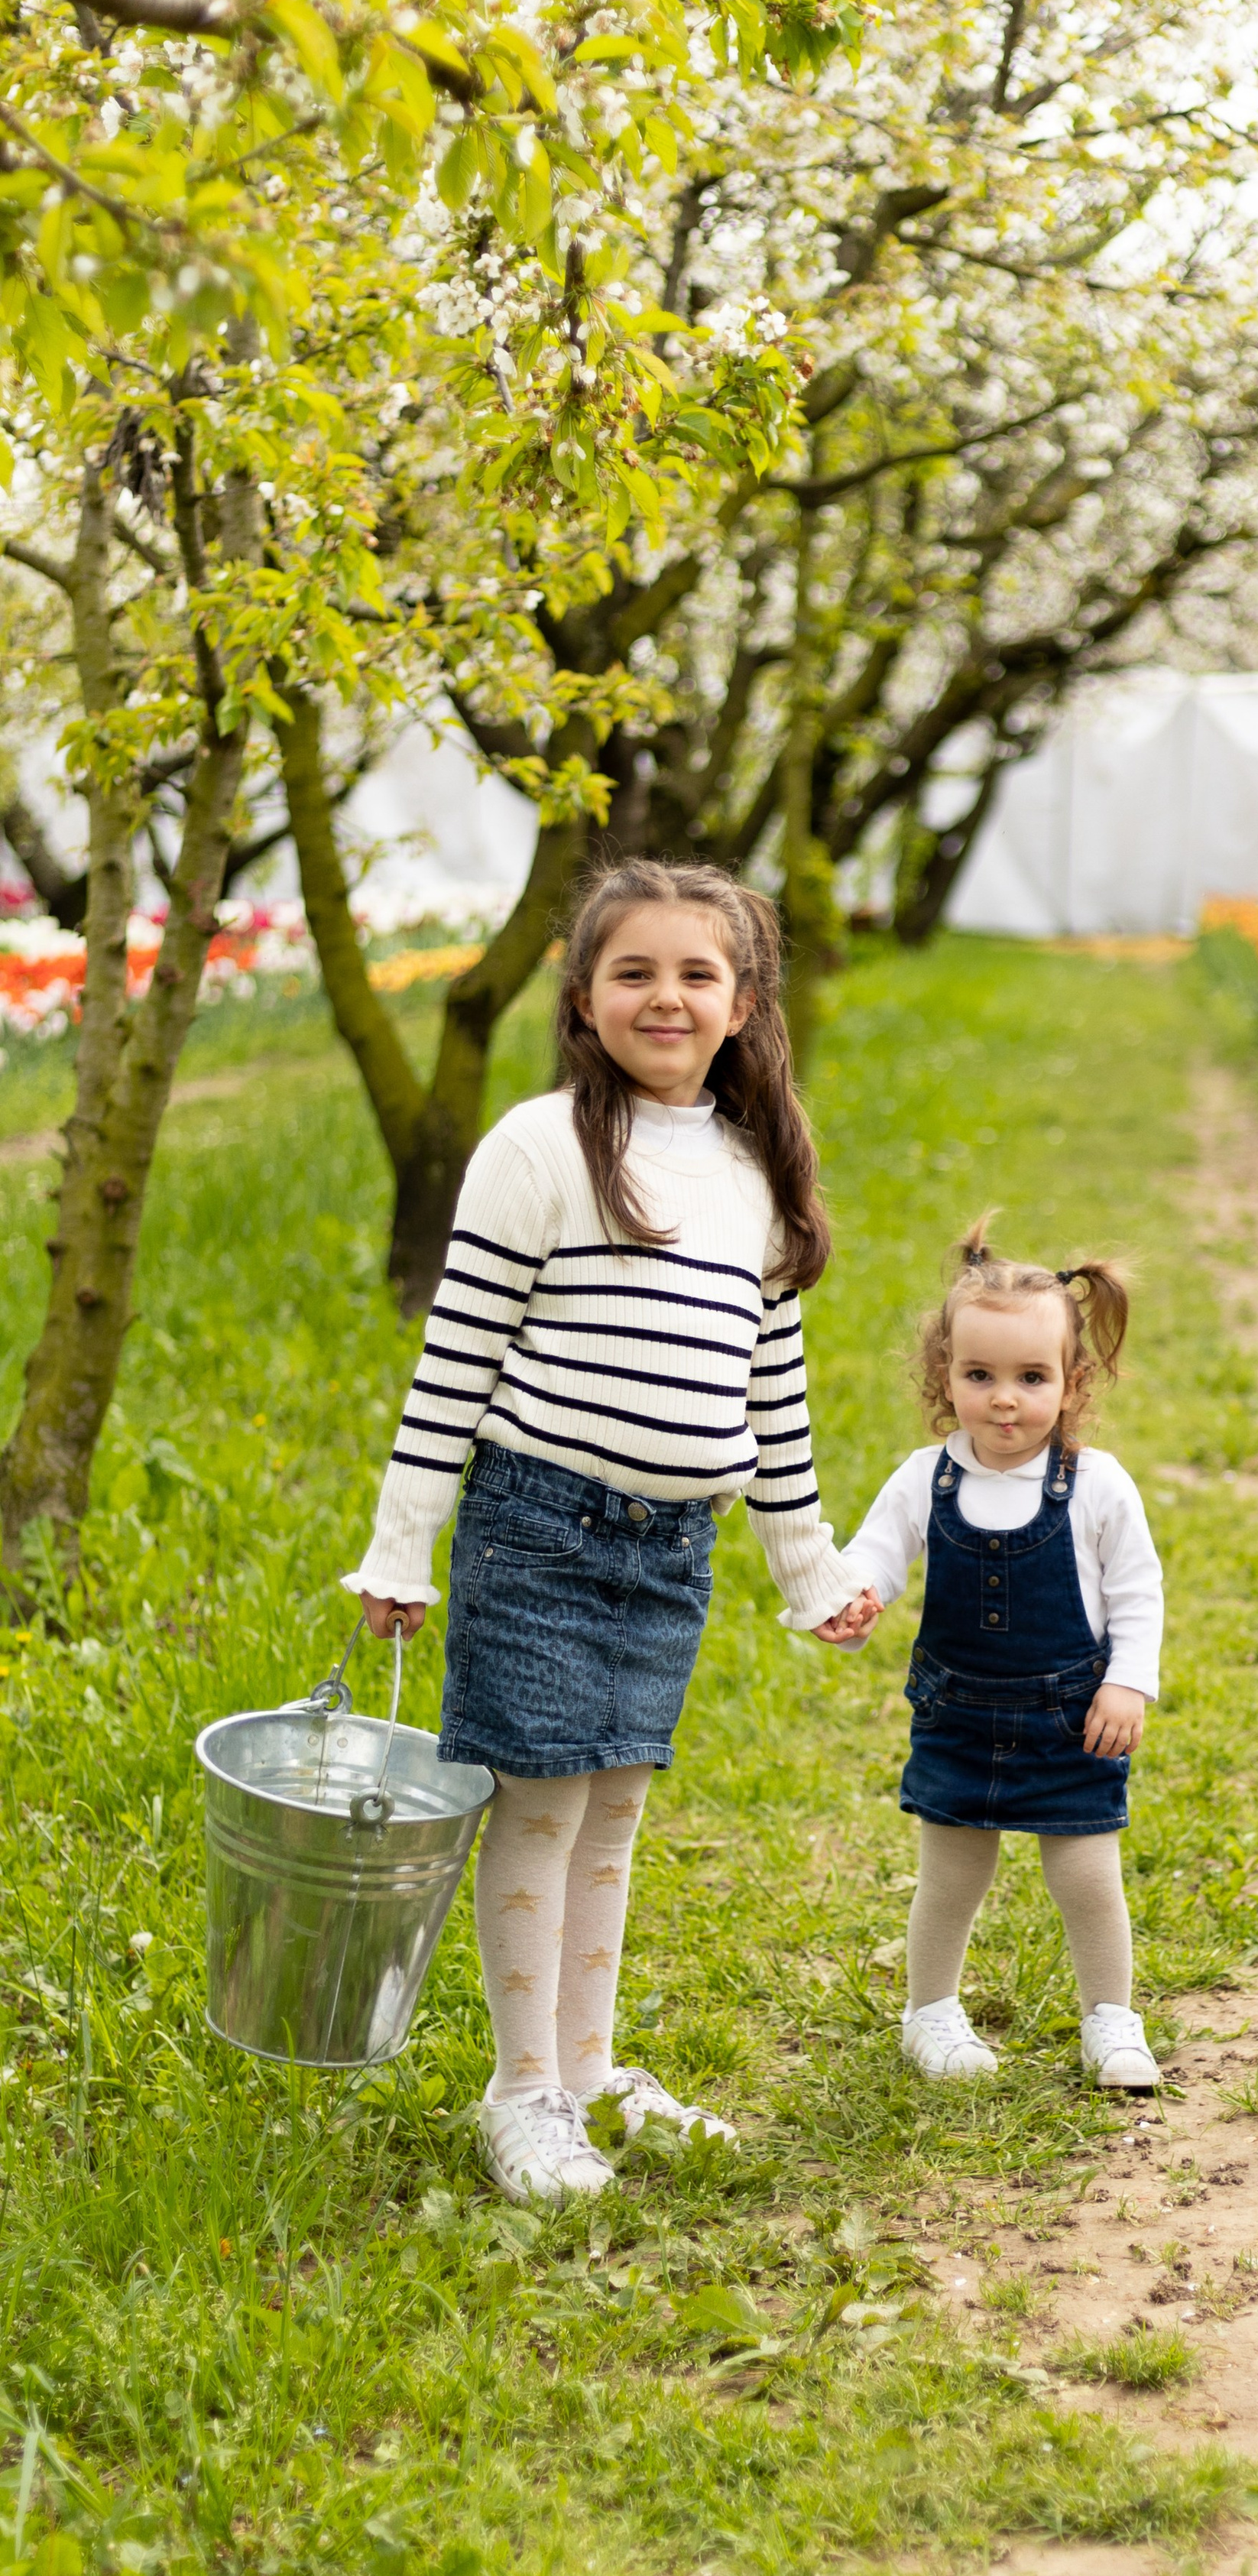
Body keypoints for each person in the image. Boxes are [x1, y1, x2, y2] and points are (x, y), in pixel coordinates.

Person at [350, 859, 878, 2202]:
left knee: (614, 1809)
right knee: (534, 1809)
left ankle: (588, 2072)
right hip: (539, 1531)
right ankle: (520, 2093)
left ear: (745, 1001)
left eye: (698, 972)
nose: (667, 995)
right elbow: (454, 1364)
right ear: (582, 999)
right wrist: (401, 1546)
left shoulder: (756, 1172)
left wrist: (808, 1569)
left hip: (672, 1550)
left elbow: (775, 1397)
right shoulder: (539, 1148)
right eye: (633, 970)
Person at [838, 1221, 1165, 2091]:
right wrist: (856, 1596)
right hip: (958, 1717)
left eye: (1031, 1377)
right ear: (945, 1376)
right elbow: (876, 1554)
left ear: (1071, 1381)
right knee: (951, 1873)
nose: (1005, 1399)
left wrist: (1129, 1680)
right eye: (980, 1376)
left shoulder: (1095, 1485)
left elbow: (1137, 1592)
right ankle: (931, 2014)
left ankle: (1110, 2019)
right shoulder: (925, 1477)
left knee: (1087, 1875)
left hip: (1073, 1721)